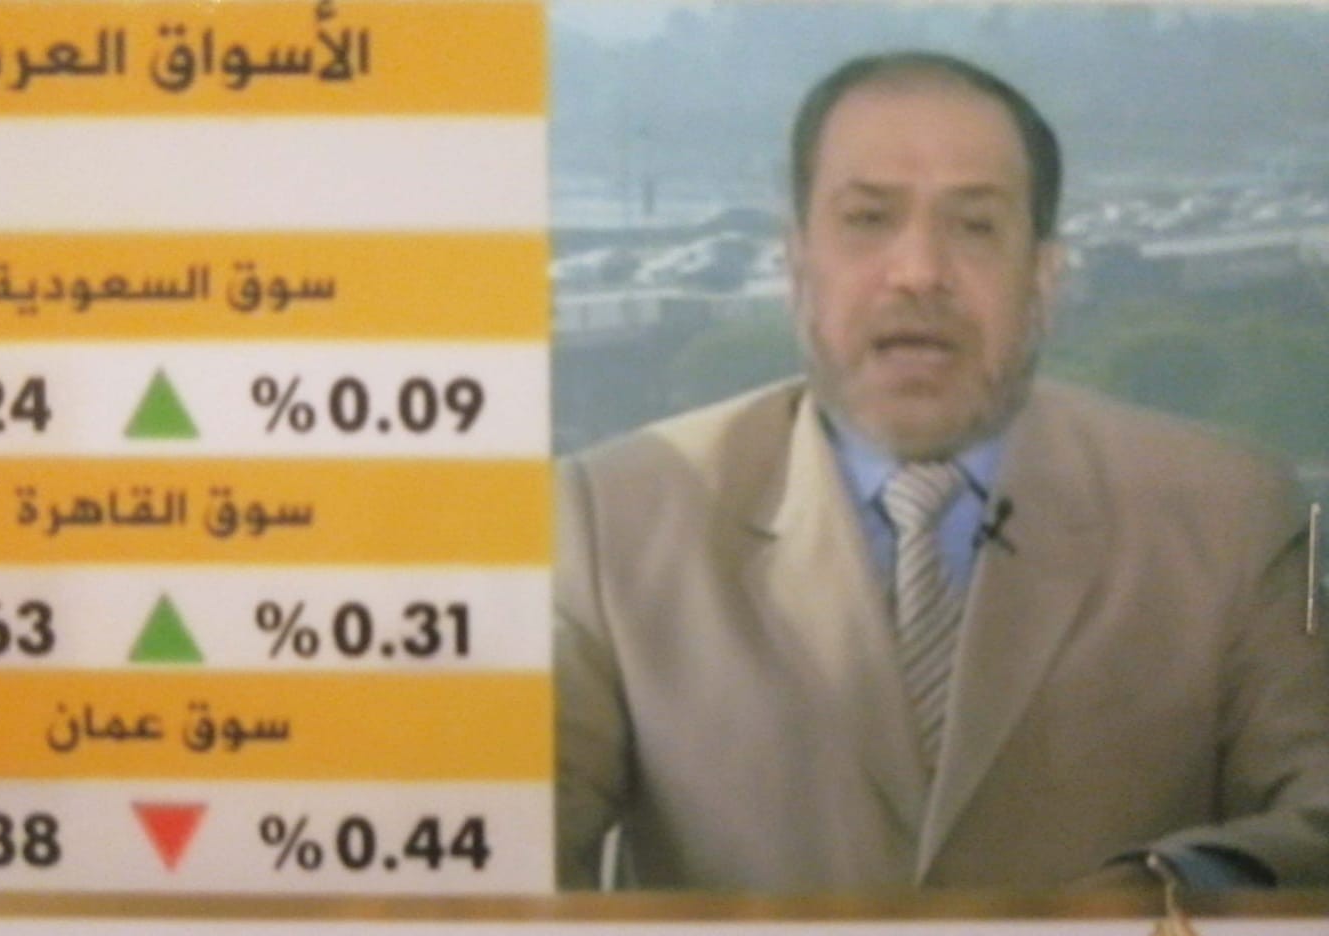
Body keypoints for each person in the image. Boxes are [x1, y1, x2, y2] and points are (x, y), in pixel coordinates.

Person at [555, 52, 1329, 892]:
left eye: (975, 226)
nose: (920, 272)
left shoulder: (1233, 513)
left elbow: (1316, 817)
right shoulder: (613, 516)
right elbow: (508, 853)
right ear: (798, 264)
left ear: (1043, 278)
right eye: (867, 219)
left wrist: (1179, 895)